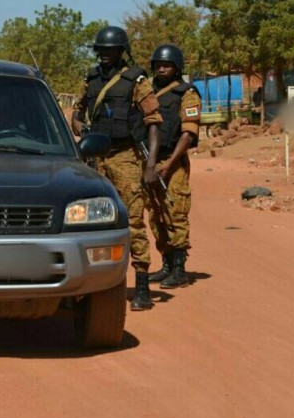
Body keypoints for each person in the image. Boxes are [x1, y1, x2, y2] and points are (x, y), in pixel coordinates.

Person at [71, 26, 163, 311]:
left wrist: (150, 165)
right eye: (100, 50)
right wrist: (82, 129)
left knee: (133, 221)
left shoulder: (137, 81)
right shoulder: (90, 79)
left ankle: (142, 286)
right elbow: (76, 114)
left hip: (126, 158)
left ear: (121, 51)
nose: (104, 55)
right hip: (95, 158)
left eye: (110, 50)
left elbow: (154, 123)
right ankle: (89, 287)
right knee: (89, 221)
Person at [145, 44, 201, 289]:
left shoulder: (187, 93)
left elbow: (188, 134)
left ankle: (179, 269)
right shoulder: (148, 92)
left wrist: (168, 165)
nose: (162, 69)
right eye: (158, 65)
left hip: (173, 162)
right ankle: (166, 264)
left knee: (175, 212)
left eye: (167, 65)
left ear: (177, 68)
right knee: (155, 214)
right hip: (150, 161)